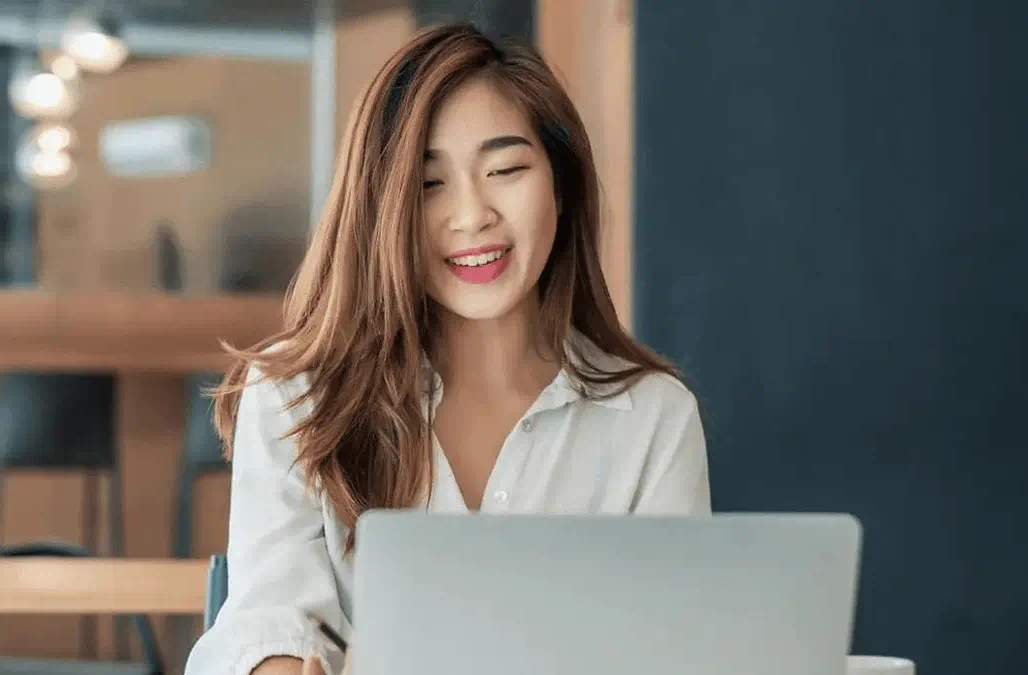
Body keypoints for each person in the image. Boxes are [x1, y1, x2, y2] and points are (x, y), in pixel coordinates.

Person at [184, 23, 711, 675]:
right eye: (429, 184)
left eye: (505, 169)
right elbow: (267, 619)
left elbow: (677, 647)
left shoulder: (653, 419)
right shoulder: (294, 397)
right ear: (383, 205)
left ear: (561, 185)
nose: (471, 215)